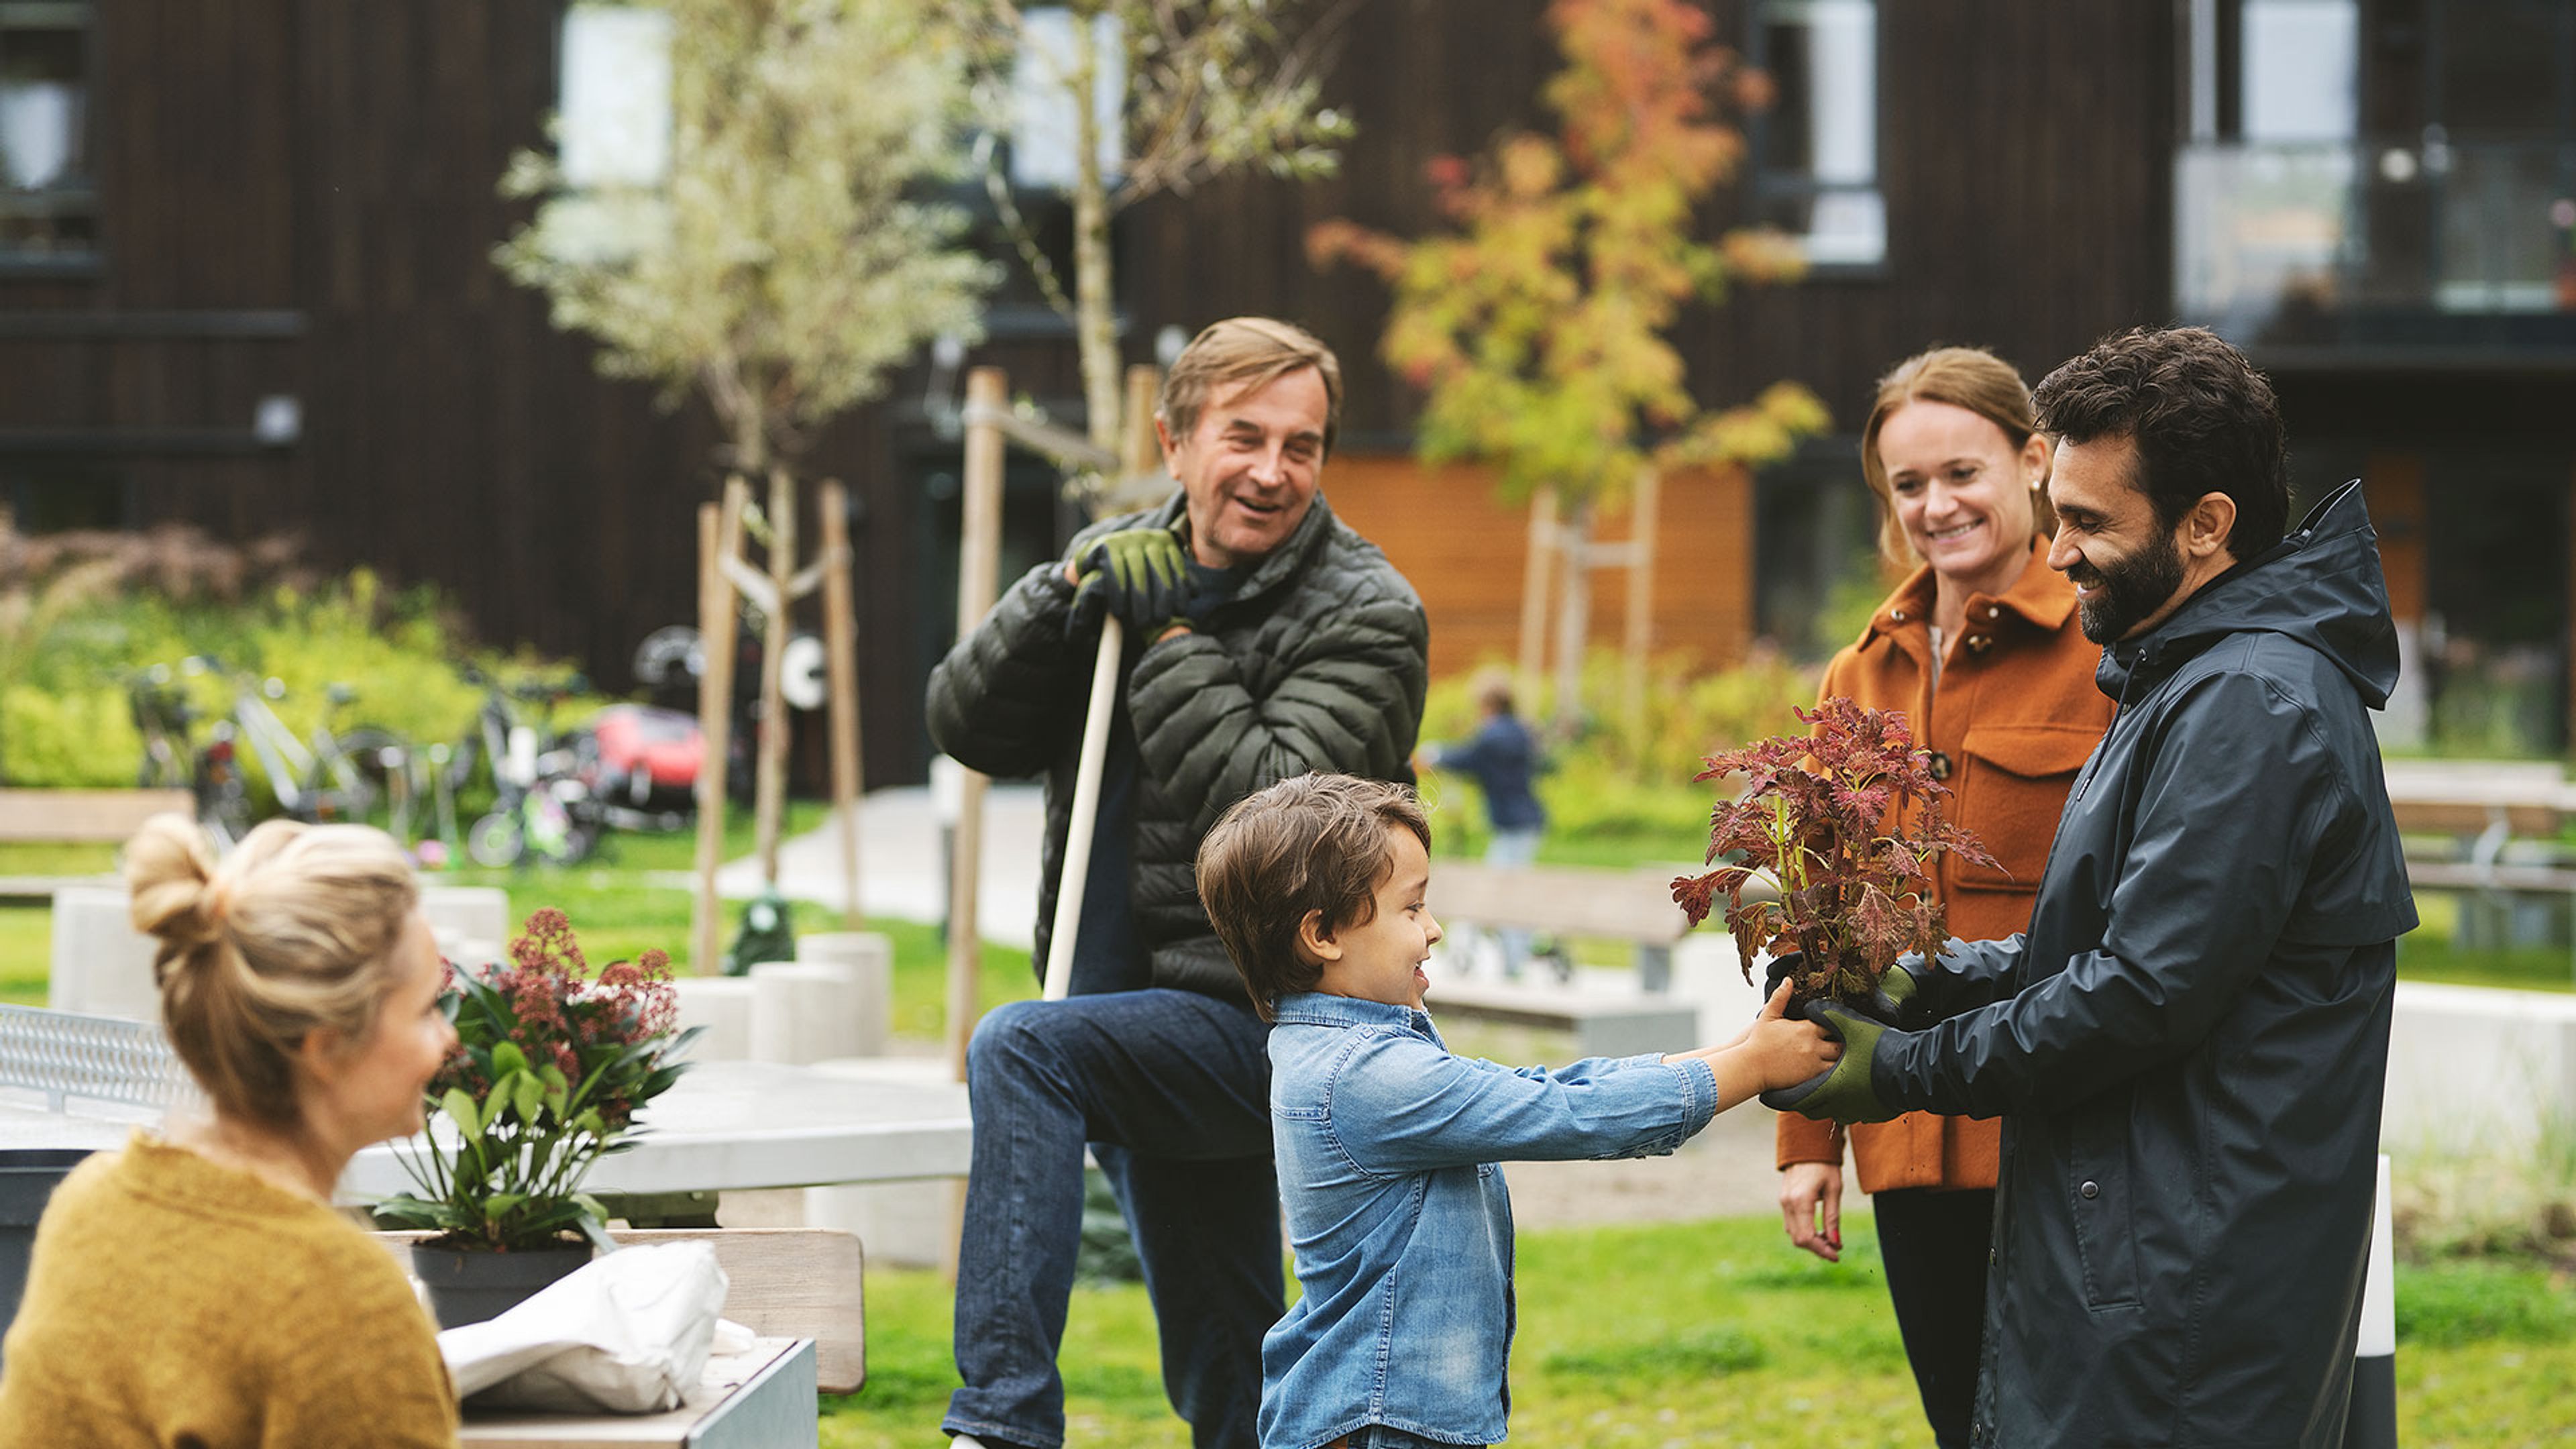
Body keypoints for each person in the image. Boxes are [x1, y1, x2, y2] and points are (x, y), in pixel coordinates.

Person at [1772, 325, 2417, 1447]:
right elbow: (2103, 942)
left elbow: (2141, 993)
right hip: (2147, 1236)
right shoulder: (2183, 673)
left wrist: (1906, 1067)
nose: (2060, 550)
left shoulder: (2250, 704)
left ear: (2206, 524)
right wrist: (1925, 979)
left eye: (2089, 522)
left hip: (2191, 1273)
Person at [925, 317, 1430, 1449]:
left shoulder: (1368, 612)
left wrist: (1168, 637)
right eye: (1244, 436)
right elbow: (967, 726)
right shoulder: (1116, 568)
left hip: (1277, 1018)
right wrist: (1058, 594)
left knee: (1021, 1049)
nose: (1272, 470)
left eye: (1301, 446)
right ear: (1174, 442)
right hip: (1124, 999)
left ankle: (999, 1426)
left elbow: (1277, 823)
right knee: (1229, 1363)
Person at [1195, 772, 1837, 1449]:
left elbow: (1552, 1085)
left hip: (1387, 1412)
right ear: (1322, 934)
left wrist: (1741, 1048)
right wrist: (1752, 1069)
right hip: (1380, 1421)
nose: (1434, 930)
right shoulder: (1364, 1075)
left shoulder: (1348, 1050)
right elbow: (1565, 1112)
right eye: (1411, 909)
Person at [1771, 345, 2116, 1448]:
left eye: (1962, 473)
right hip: (1908, 1131)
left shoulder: (2110, 649)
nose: (1936, 506)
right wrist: (1808, 1142)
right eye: (1908, 484)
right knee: (1963, 1426)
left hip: (2068, 1126)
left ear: (2034, 461)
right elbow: (1820, 925)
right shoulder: (1856, 675)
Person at [0, 815, 460, 1447]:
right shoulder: (342, 1303)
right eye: (427, 1010)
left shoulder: (91, 1205)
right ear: (326, 1047)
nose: (449, 1037)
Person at [1418, 666, 1550, 978]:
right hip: (1522, 821)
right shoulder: (1518, 730)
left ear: (1488, 704)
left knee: (1500, 890)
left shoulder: (1495, 736)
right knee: (1507, 886)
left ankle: (1519, 954)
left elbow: (1469, 758)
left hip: (1514, 823)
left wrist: (1435, 755)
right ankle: (1517, 951)